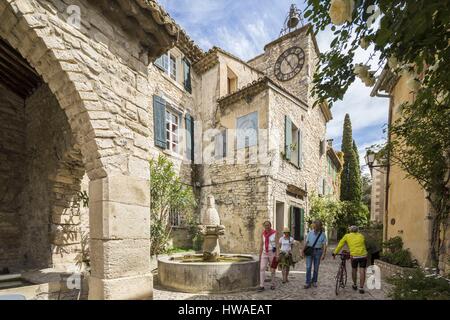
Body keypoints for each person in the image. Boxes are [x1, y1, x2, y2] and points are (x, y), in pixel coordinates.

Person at [333, 225, 368, 294]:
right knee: (362, 271)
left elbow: (340, 244)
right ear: (357, 230)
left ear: (350, 230)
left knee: (354, 270)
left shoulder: (347, 236)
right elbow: (362, 244)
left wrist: (335, 253)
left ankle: (355, 284)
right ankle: (361, 288)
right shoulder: (361, 236)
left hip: (354, 256)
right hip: (363, 255)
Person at [302, 220, 327, 288]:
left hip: (318, 252)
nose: (315, 228)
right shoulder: (310, 233)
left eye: (317, 227)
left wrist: (324, 254)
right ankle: (307, 282)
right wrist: (302, 251)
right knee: (308, 267)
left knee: (316, 268)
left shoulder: (323, 234)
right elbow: (306, 242)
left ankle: (314, 281)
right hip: (310, 251)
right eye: (314, 226)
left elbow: (324, 245)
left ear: (320, 227)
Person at [258, 220, 278, 291]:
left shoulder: (275, 233)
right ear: (264, 226)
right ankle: (261, 285)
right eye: (265, 225)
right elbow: (261, 244)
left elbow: (277, 244)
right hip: (264, 252)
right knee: (262, 268)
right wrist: (260, 255)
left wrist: (277, 255)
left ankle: (273, 284)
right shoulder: (263, 234)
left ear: (270, 226)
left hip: (272, 253)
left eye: (268, 225)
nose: (267, 226)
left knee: (272, 269)